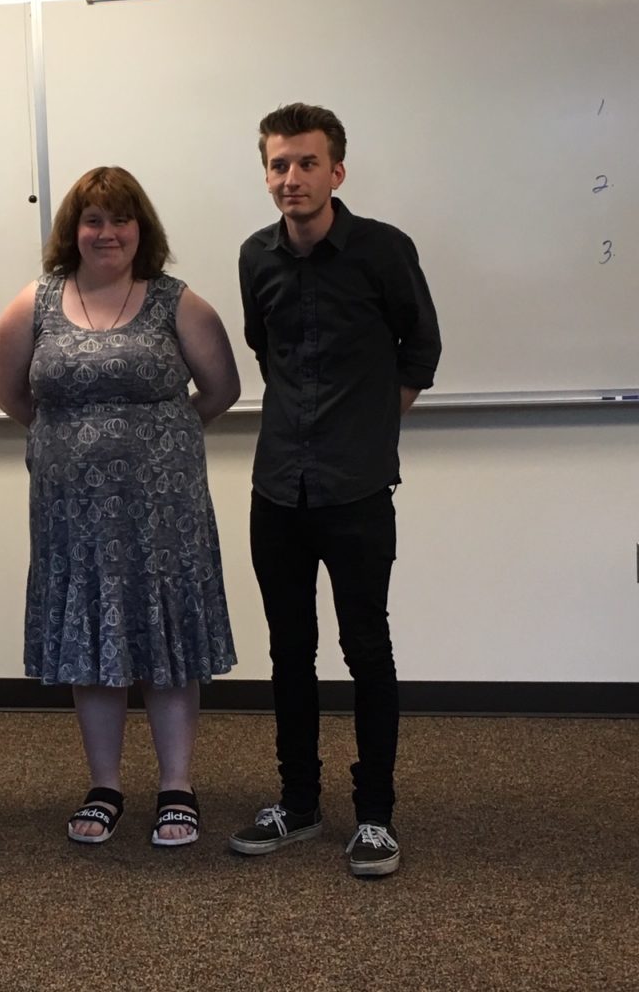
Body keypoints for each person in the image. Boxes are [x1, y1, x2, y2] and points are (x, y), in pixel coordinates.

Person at [0, 167, 239, 846]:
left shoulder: (177, 303)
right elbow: (14, 398)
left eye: (121, 219)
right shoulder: (32, 305)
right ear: (73, 230)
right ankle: (104, 786)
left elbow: (219, 391)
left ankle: (176, 788)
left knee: (165, 641)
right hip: (72, 513)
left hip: (164, 511)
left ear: (142, 230)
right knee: (88, 642)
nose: (107, 232)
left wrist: (152, 447)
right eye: (93, 219)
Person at [228, 103, 441, 876]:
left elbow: (421, 349)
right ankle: (301, 804)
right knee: (289, 652)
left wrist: (365, 428)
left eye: (307, 163)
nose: (292, 179)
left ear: (336, 172)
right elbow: (264, 347)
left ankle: (375, 815)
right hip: (277, 488)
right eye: (279, 165)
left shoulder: (382, 251)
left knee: (366, 649)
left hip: (355, 491)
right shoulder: (255, 257)